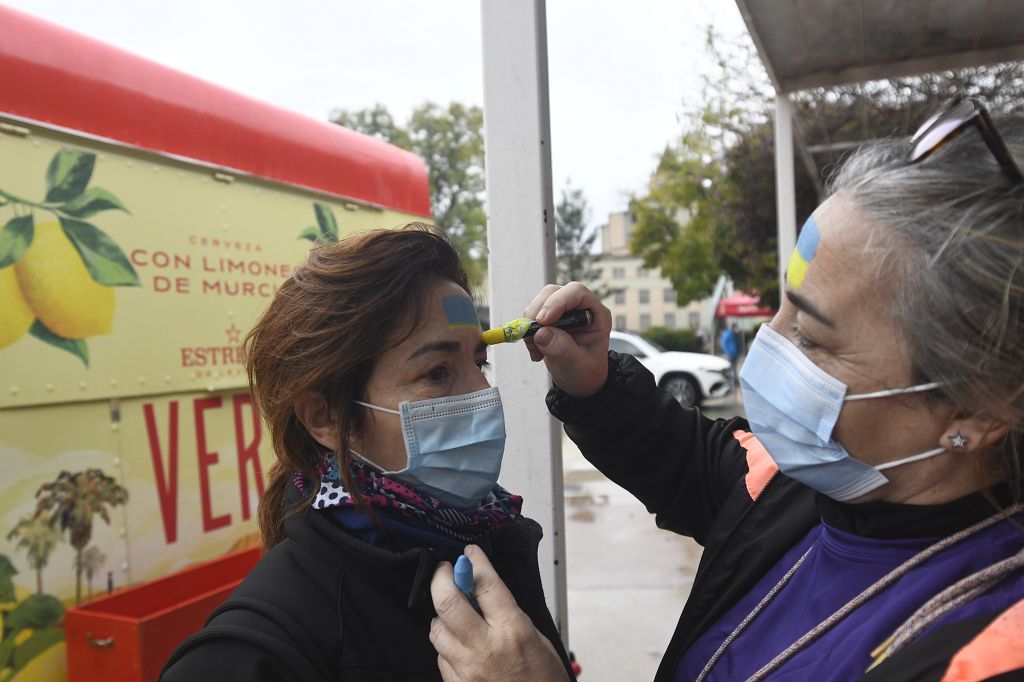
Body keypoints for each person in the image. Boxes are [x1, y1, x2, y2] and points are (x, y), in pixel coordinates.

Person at [430, 98, 1024, 681]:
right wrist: (596, 381)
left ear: (977, 406)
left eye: (814, 338)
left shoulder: (990, 651)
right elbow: (684, 459)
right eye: (782, 306)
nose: (767, 343)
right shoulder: (809, 486)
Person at [161, 225, 572, 681]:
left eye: (479, 363)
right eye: (437, 372)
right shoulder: (252, 653)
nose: (483, 394)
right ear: (326, 418)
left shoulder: (493, 543)